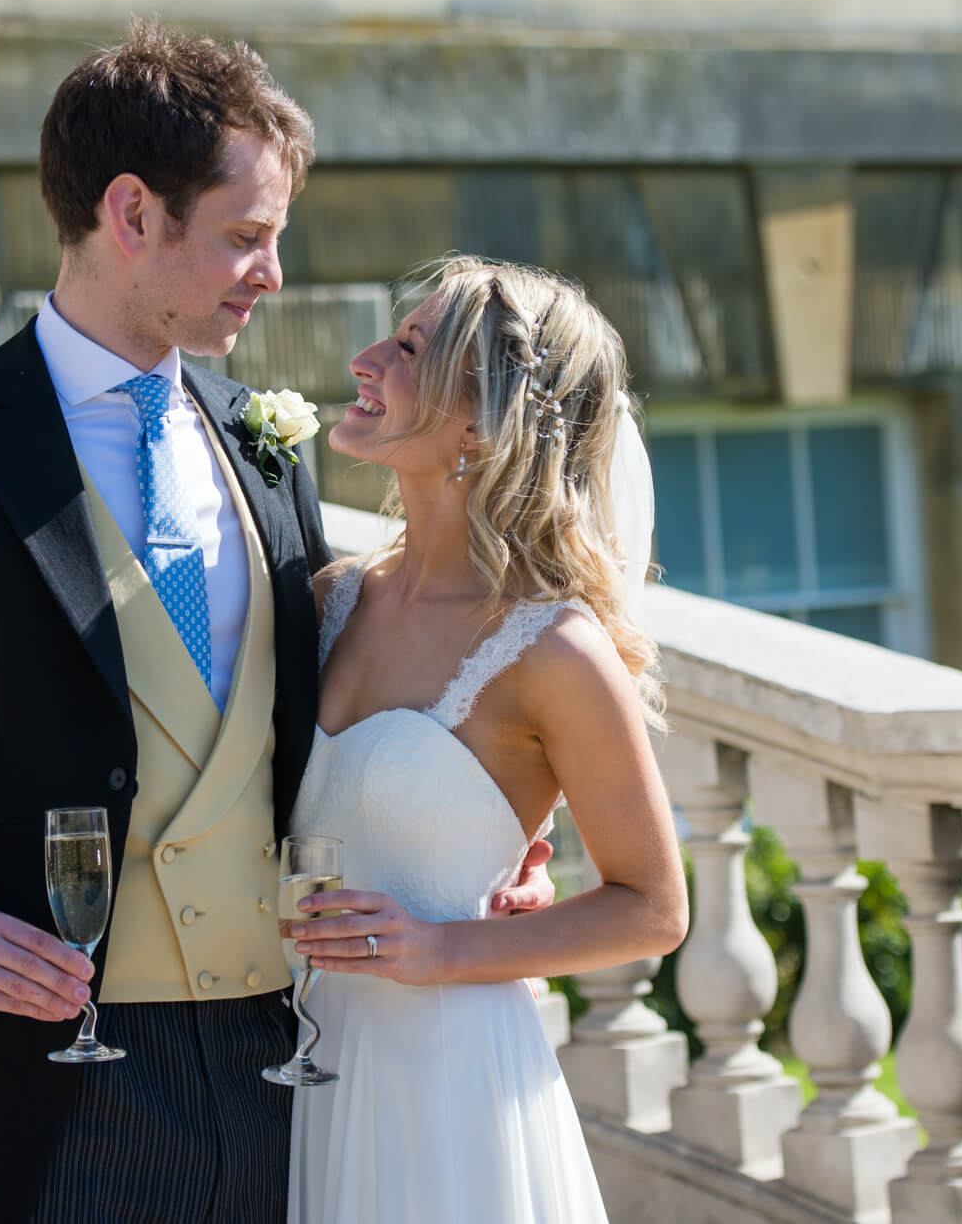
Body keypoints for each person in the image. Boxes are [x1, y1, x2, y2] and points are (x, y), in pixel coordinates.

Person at [0, 24, 554, 1224]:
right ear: (131, 214)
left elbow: (337, 702)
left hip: (287, 1067)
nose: (272, 275)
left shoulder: (265, 446)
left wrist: (478, 855)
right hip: (40, 1091)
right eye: (244, 237)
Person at [283, 257, 690, 1223]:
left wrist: (441, 947)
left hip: (449, 1086)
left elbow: (653, 908)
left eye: (410, 348)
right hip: (301, 1066)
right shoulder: (329, 598)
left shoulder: (554, 649)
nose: (365, 358)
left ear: (478, 423)